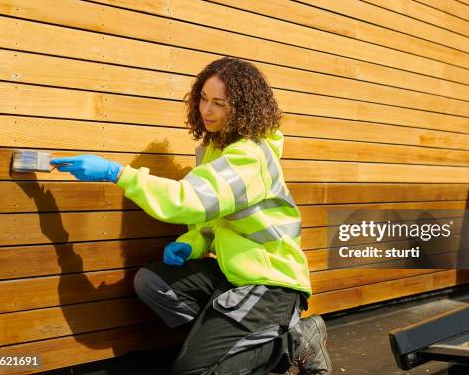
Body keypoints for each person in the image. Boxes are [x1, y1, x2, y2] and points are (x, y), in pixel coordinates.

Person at [50, 57, 332, 375]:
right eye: (203, 98)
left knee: (191, 372)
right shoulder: (217, 148)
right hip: (234, 275)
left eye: (219, 103)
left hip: (270, 286)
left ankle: (292, 342)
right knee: (153, 282)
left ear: (241, 108)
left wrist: (117, 173)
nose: (206, 110)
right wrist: (193, 243)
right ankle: (221, 349)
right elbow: (217, 221)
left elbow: (188, 200)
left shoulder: (249, 158)